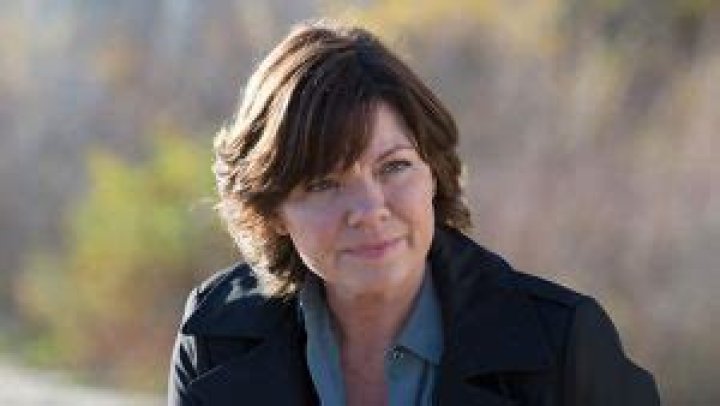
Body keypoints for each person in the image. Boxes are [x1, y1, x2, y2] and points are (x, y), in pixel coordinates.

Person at [167, 21, 660, 405]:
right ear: (272, 210)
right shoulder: (215, 339)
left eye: (394, 167)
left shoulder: (564, 346)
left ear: (434, 174)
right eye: (323, 184)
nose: (369, 210)